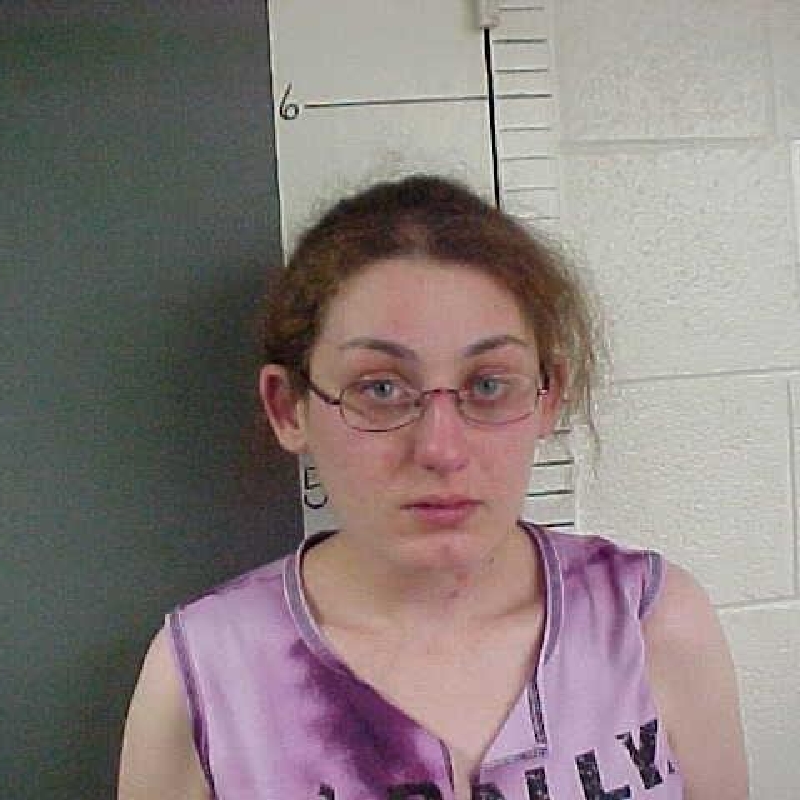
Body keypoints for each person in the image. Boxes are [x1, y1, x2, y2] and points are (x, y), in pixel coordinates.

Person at [117, 175, 748, 800]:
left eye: (488, 385)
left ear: (546, 396)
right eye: (380, 389)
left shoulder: (649, 622)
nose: (442, 450)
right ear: (289, 409)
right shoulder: (205, 676)